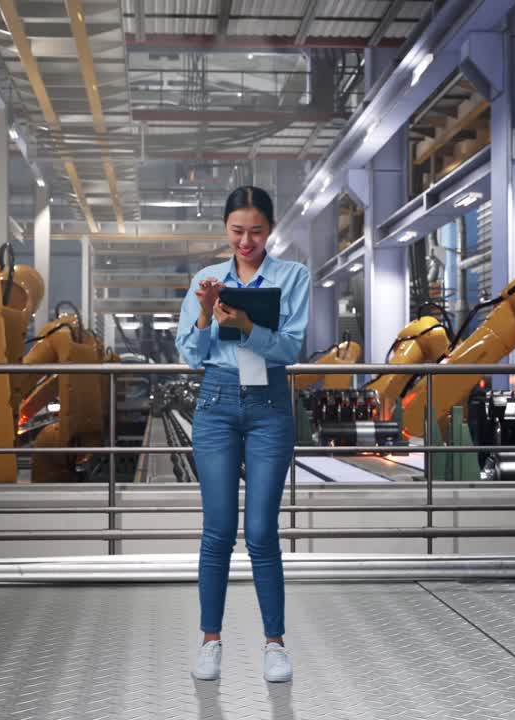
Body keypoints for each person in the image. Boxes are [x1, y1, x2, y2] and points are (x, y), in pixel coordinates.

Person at [175, 186, 309, 683]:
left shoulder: (292, 277)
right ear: (226, 230)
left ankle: (274, 644)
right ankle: (211, 640)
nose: (246, 240)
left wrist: (249, 324)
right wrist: (208, 312)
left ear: (270, 229)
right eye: (237, 231)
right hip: (217, 401)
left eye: (255, 230)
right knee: (217, 532)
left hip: (270, 404)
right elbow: (191, 354)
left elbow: (291, 346)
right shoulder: (206, 279)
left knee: (260, 532)